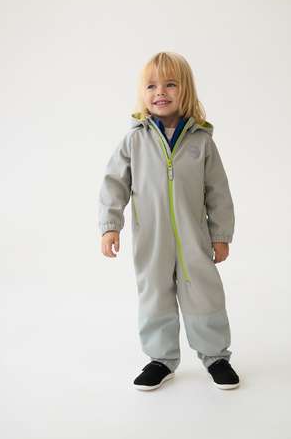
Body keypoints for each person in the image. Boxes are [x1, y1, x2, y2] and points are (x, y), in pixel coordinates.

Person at [98, 51, 240, 391]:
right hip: (152, 240)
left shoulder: (201, 142)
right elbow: (114, 183)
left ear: (185, 89)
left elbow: (218, 192)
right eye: (151, 86)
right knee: (154, 296)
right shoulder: (135, 140)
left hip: (195, 240)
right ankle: (160, 360)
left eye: (170, 84)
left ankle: (215, 357)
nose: (160, 91)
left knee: (204, 296)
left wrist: (221, 235)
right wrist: (110, 226)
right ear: (143, 93)